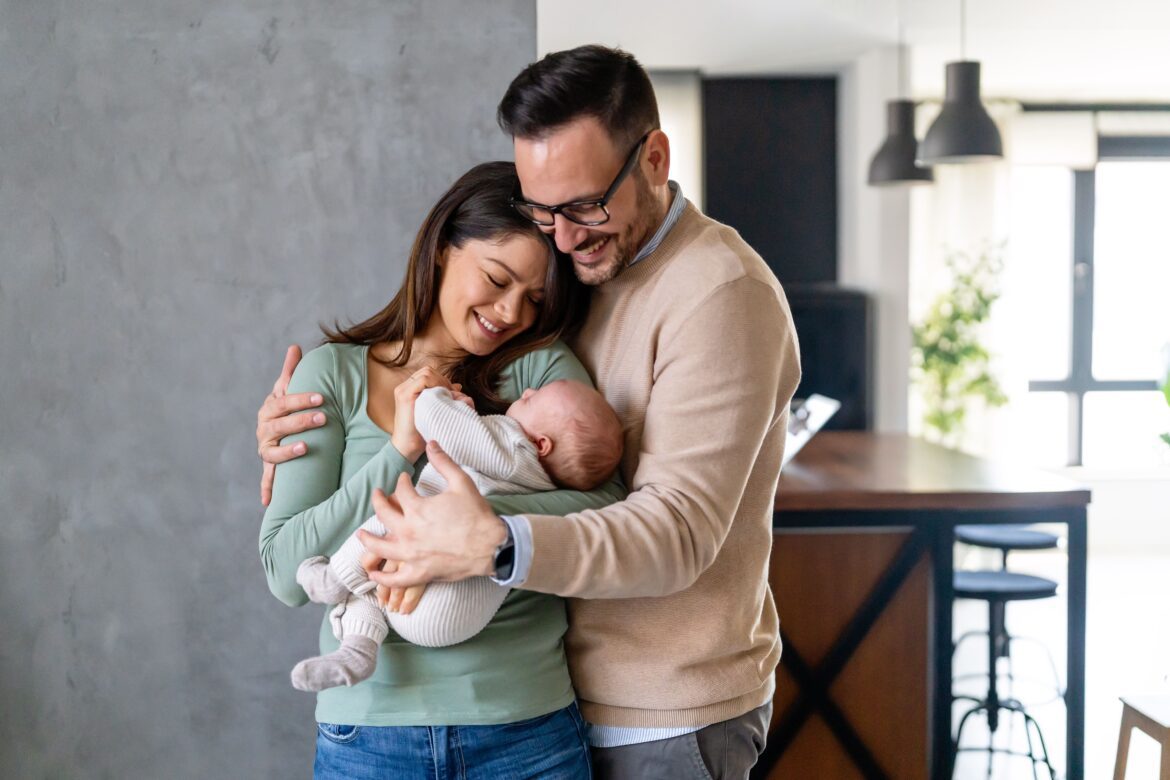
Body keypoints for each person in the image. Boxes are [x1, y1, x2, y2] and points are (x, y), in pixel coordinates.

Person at [257, 46, 802, 779]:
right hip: (544, 699)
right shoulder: (588, 273)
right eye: (547, 213)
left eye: (583, 206)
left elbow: (670, 525)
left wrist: (480, 536)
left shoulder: (718, 294)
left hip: (659, 706)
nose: (565, 237)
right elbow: (289, 559)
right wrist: (365, 447)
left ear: (654, 159)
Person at [258, 160, 624, 779]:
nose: (511, 312)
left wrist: (466, 530)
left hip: (523, 726)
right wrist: (399, 450)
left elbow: (612, 509)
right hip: (369, 736)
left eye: (535, 299)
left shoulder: (538, 372)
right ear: (442, 248)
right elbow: (286, 574)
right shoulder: (334, 375)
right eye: (497, 278)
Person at [291, 381, 622, 692]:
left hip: (435, 599)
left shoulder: (513, 446)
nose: (527, 391)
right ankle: (357, 653)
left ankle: (334, 578)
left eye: (533, 399)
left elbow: (437, 421)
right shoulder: (543, 486)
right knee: (373, 589)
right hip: (455, 619)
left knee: (393, 516)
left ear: (541, 444)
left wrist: (439, 395)